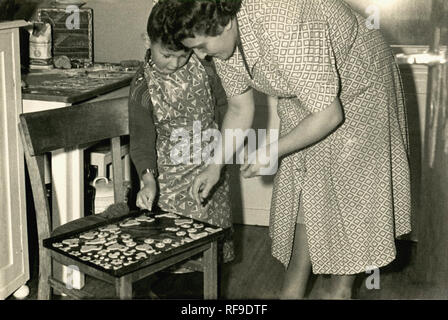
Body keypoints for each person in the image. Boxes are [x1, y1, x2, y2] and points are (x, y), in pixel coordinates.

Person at [158, 0, 412, 299]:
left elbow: (329, 114)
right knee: (305, 190)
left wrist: (272, 151)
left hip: (360, 86)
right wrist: (215, 165)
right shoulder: (223, 40)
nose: (200, 56)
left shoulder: (282, 22)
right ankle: (291, 293)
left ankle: (339, 291)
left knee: (348, 199)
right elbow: (240, 109)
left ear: (225, 24)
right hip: (307, 92)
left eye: (201, 46)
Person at [128, 1, 234, 263]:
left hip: (212, 172)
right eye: (166, 55)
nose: (175, 63)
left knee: (212, 258)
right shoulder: (142, 85)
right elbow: (142, 140)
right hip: (169, 185)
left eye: (183, 55)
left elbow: (226, 107)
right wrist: (148, 180)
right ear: (147, 41)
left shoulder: (207, 69)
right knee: (174, 259)